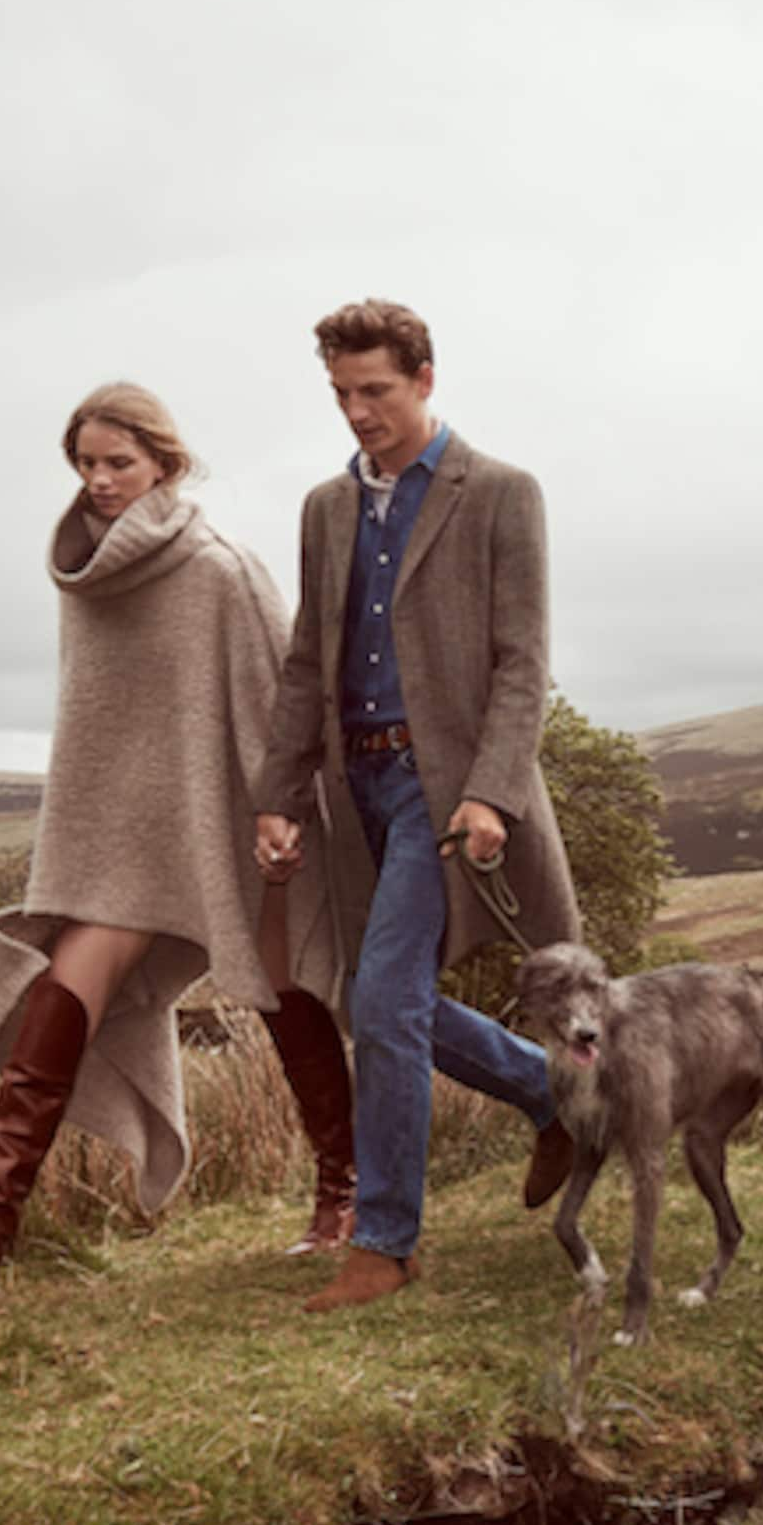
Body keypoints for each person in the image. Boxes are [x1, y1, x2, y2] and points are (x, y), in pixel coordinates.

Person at [0, 385, 351, 1311]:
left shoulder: (222, 569)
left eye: (118, 464)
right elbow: (96, 727)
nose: (99, 482)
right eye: (87, 465)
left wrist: (283, 811)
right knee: (62, 991)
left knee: (277, 984)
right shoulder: (85, 577)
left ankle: (344, 1192)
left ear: (165, 466)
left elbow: (285, 698)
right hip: (124, 842)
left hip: (231, 820)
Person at [254, 299, 581, 1314]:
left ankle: (385, 1241)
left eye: (376, 391)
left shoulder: (501, 493)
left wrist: (490, 791)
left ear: (424, 377)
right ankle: (555, 1093)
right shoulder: (325, 508)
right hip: (354, 790)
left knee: (386, 997)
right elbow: (308, 659)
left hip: (445, 787)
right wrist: (278, 791)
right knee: (373, 1001)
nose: (358, 412)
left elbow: (522, 665)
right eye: (342, 393)